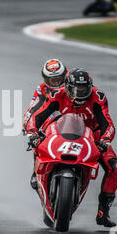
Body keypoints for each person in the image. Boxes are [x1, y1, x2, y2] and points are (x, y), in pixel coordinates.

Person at [26, 68, 117, 227]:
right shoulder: (57, 95)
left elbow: (107, 123)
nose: (79, 93)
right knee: (38, 139)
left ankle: (103, 213)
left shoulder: (98, 97)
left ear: (90, 87)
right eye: (75, 89)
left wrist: (105, 140)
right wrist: (32, 133)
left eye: (83, 89)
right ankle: (36, 173)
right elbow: (37, 116)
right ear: (67, 87)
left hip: (92, 136)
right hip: (61, 131)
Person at [23, 59, 68, 190]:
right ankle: (36, 168)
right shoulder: (42, 89)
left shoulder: (73, 83)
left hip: (72, 115)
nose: (55, 83)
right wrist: (27, 124)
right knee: (37, 133)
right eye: (51, 80)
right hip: (52, 115)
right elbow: (33, 108)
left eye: (58, 79)